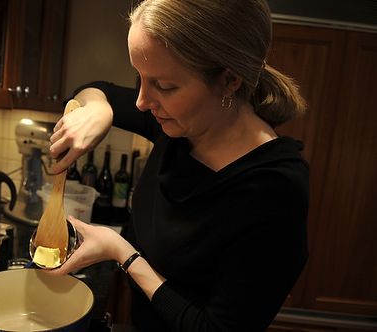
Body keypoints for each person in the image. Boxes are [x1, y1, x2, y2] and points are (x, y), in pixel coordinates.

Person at [46, 0, 309, 330]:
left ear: (230, 80)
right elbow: (97, 90)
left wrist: (122, 253)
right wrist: (99, 109)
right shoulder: (179, 121)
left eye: (165, 86)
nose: (142, 101)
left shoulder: (274, 191)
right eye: (139, 77)